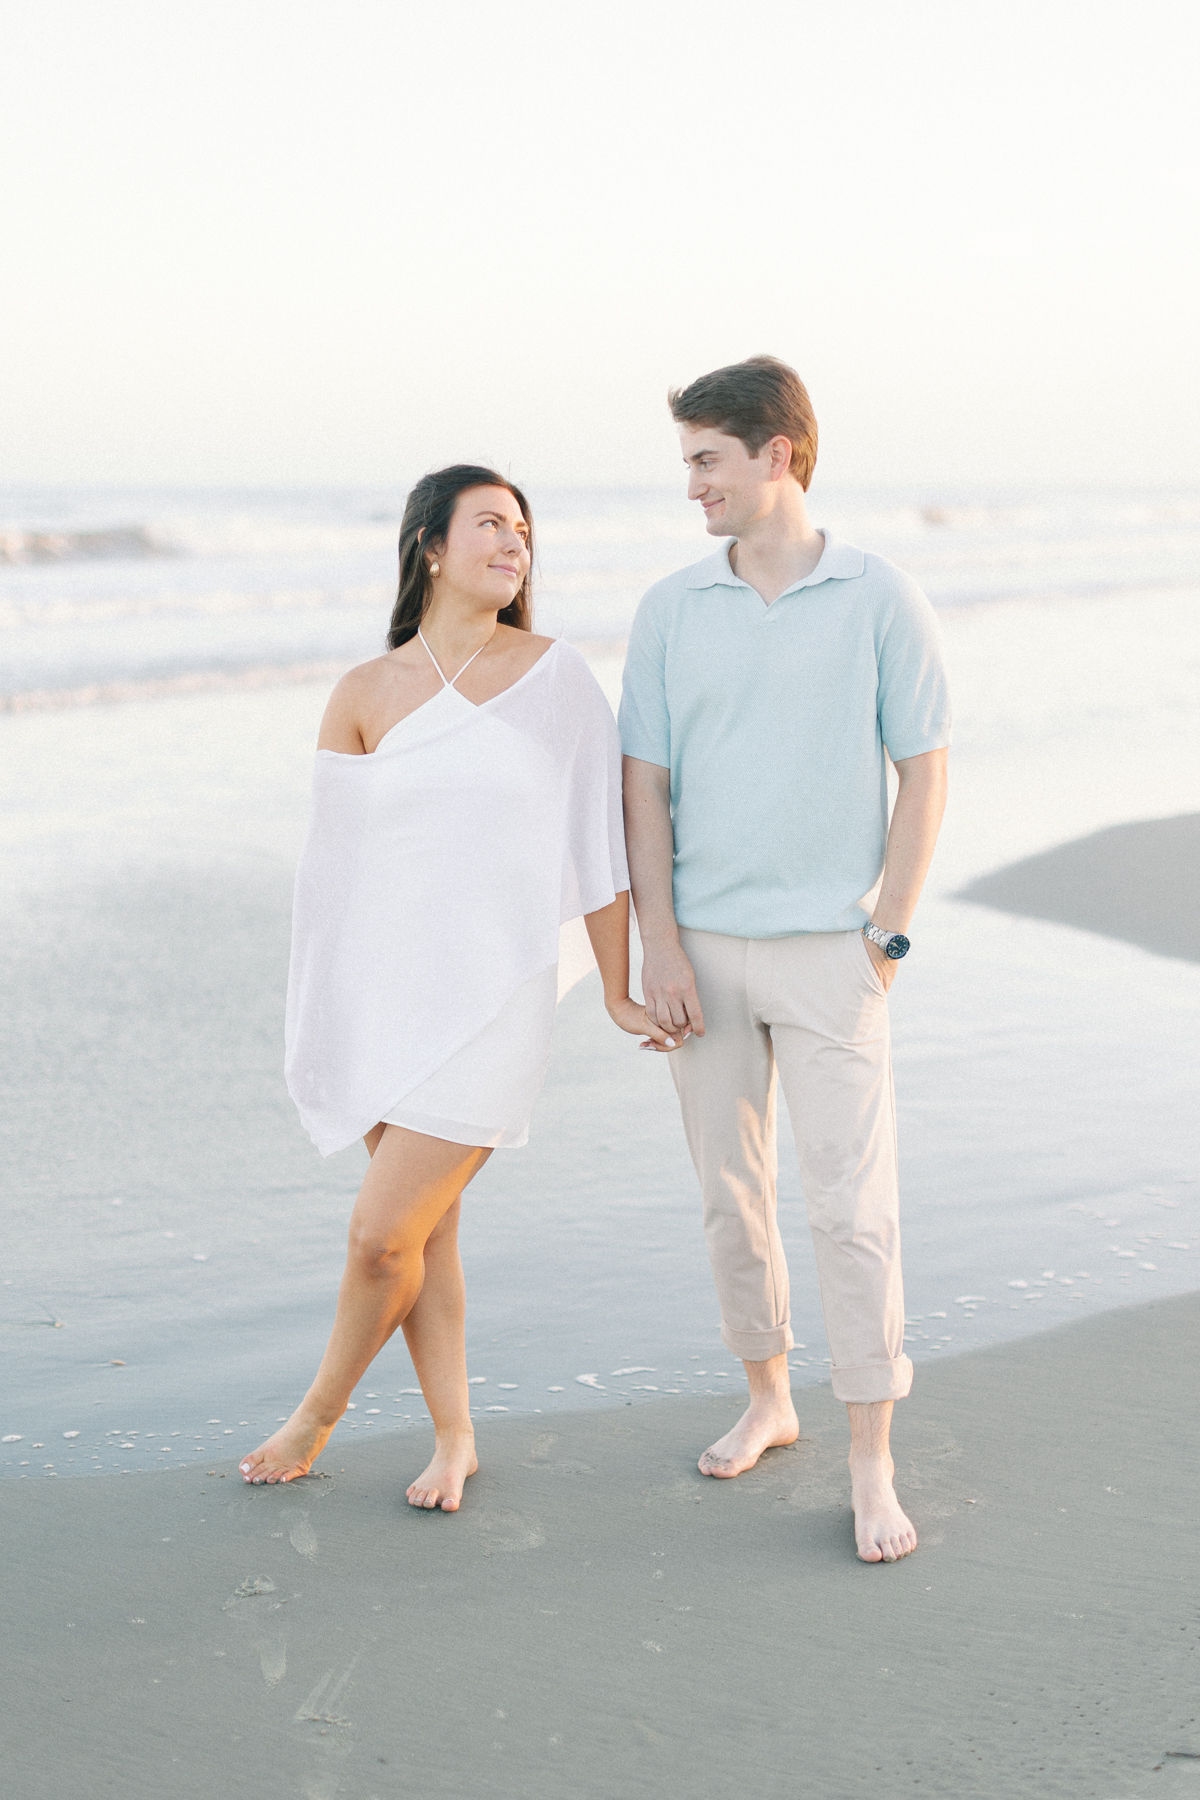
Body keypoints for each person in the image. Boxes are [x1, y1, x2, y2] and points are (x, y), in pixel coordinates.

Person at [241, 464, 674, 1508]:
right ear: (431, 544)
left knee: (380, 1234)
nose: (514, 541)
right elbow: (332, 881)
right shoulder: (362, 693)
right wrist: (325, 1012)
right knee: (428, 1233)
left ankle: (316, 1416)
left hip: (495, 997)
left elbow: (595, 847)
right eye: (490, 523)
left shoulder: (556, 676)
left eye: (523, 528)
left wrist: (617, 986)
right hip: (388, 993)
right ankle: (454, 1437)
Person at [620, 358, 951, 1562]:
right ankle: (769, 1394)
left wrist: (888, 930)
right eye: (690, 461)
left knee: (852, 1209)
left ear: (779, 455)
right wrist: (659, 944)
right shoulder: (670, 610)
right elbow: (641, 789)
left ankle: (872, 1459)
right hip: (700, 953)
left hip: (831, 952)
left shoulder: (881, 597)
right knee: (729, 1197)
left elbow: (925, 769)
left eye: (709, 458)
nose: (694, 484)